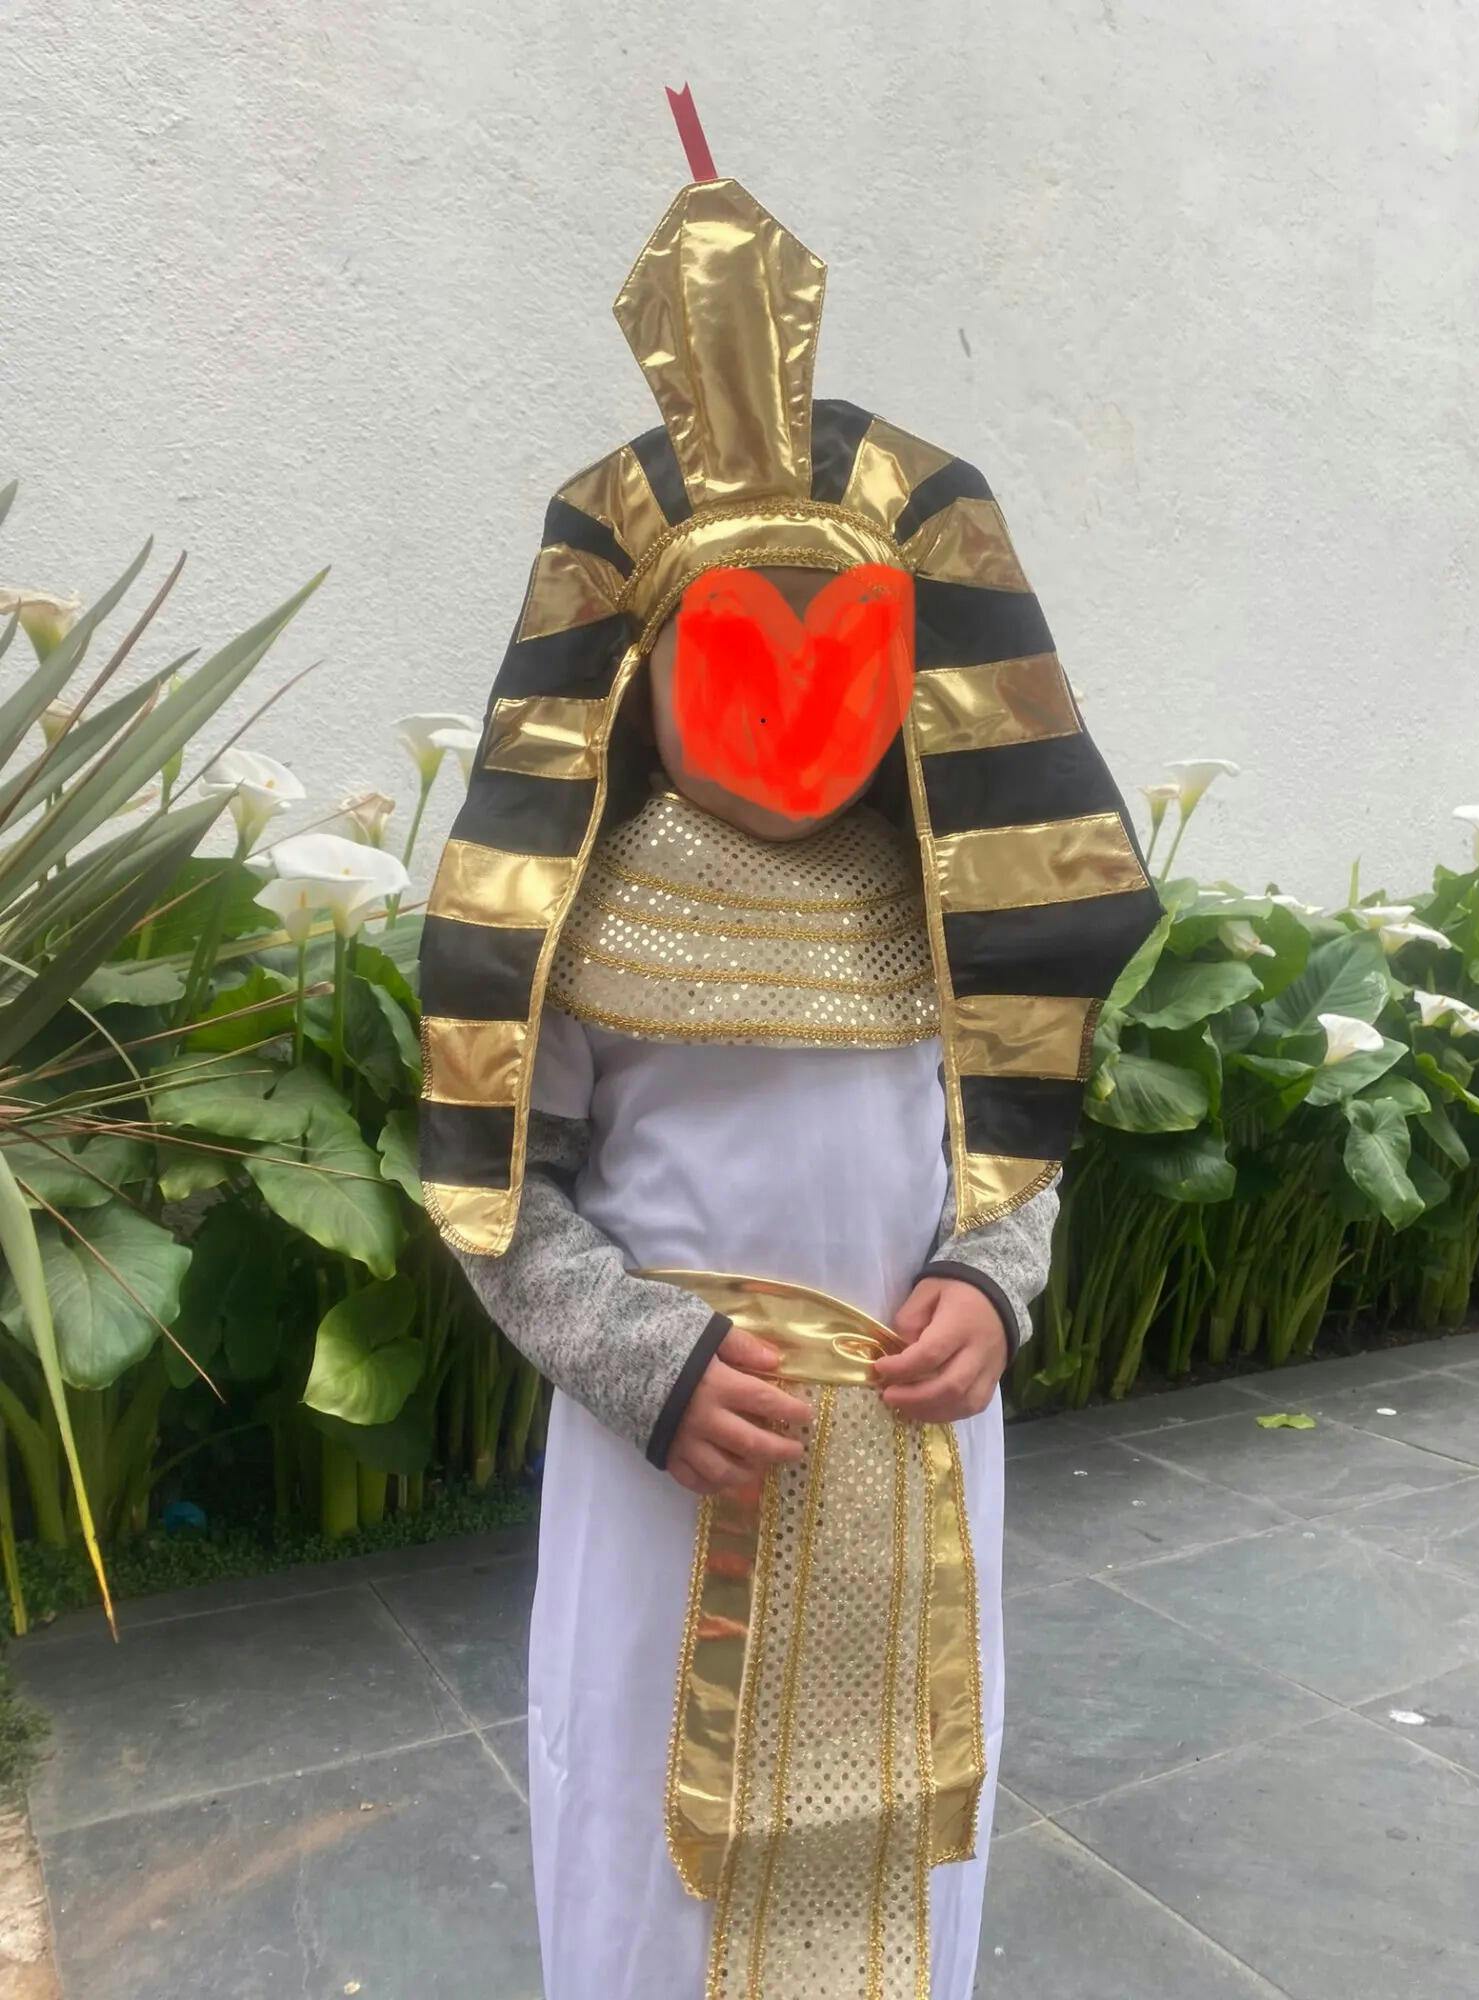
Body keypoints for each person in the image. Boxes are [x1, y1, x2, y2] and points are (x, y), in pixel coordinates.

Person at [418, 95, 1160, 2000]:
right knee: (647, 1844)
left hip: (910, 1449)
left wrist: (990, 1279)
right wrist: (645, 1363)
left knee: (901, 1849)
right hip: (682, 1461)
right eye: (744, 640)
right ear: (644, 656)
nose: (801, 687)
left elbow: (1006, 1136)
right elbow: (496, 1189)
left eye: (850, 642)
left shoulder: (953, 889)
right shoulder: (581, 906)